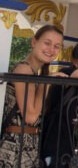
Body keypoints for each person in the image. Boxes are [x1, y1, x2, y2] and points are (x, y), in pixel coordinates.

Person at [0, 24, 64, 168]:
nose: (51, 50)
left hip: (27, 146)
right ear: (34, 42)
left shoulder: (34, 72)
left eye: (56, 46)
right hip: (15, 146)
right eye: (47, 43)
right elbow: (30, 116)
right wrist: (46, 83)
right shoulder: (24, 70)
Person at [40, 39, 78, 167]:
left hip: (66, 149)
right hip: (50, 147)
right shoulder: (66, 74)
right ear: (75, 62)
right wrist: (77, 80)